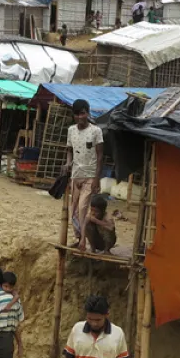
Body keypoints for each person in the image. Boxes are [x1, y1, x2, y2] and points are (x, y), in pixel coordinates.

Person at [64, 99, 104, 252]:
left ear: (87, 113)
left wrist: (96, 179)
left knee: (82, 209)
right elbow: (69, 150)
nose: (80, 117)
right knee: (73, 211)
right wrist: (68, 163)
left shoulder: (96, 131)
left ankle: (83, 242)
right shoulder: (71, 130)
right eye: (76, 114)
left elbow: (100, 156)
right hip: (76, 176)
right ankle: (79, 237)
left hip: (90, 175)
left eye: (82, 113)